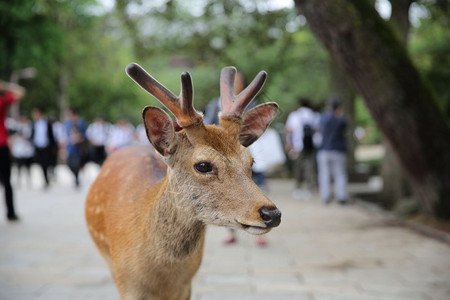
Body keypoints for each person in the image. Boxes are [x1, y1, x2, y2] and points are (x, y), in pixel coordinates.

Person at [0, 80, 25, 221]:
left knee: (7, 182)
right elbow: (20, 92)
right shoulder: (3, 99)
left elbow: (21, 93)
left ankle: (11, 211)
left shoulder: (2, 100)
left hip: (2, 144)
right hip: (2, 145)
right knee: (7, 181)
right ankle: (11, 213)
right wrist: (5, 85)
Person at [285, 98, 319, 199]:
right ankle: (309, 188)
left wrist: (288, 143)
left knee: (298, 168)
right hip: (311, 146)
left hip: (297, 145)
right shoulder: (314, 115)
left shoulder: (294, 115)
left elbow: (288, 130)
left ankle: (298, 188)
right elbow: (318, 130)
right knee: (310, 167)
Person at [317, 99, 348, 204]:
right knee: (340, 174)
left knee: (324, 174)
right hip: (338, 150)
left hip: (324, 149)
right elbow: (344, 127)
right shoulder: (340, 119)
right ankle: (341, 196)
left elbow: (319, 128)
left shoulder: (323, 118)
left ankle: (325, 196)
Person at [31, 108, 56, 189]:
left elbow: (51, 135)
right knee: (42, 164)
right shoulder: (34, 124)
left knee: (48, 162)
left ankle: (50, 174)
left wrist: (54, 146)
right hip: (38, 146)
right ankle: (45, 179)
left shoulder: (47, 123)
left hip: (47, 146)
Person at [64, 108, 88, 188]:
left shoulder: (81, 122)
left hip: (78, 147)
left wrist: (79, 138)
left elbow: (85, 134)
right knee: (69, 163)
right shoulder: (67, 123)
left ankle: (77, 179)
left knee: (76, 163)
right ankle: (75, 176)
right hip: (70, 147)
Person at [10, 115, 34, 187]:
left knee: (28, 166)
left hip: (27, 149)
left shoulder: (29, 127)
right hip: (19, 149)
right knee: (19, 166)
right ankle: (19, 180)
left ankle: (28, 180)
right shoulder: (17, 127)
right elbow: (13, 137)